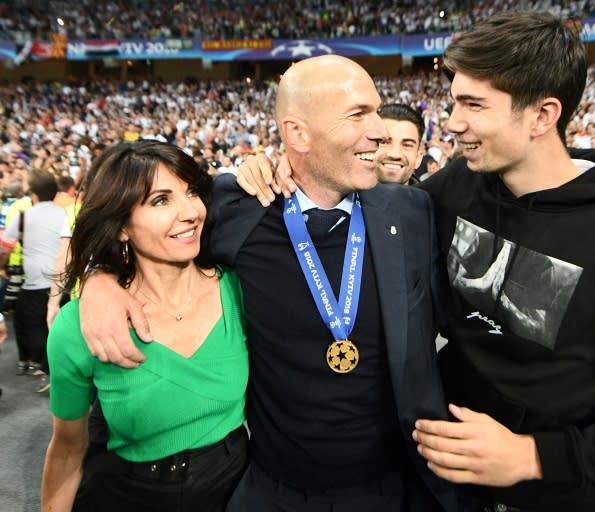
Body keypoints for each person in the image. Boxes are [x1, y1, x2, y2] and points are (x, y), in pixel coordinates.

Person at [236, 11, 595, 512]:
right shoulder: (457, 188)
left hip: (557, 500)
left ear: (543, 115)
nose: (452, 123)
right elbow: (360, 202)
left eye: (473, 105)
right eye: (454, 101)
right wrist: (282, 164)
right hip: (442, 488)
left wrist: (535, 457)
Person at [75, 56, 455, 512]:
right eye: (358, 115)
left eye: (376, 111)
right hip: (273, 489)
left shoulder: (411, 211)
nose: (379, 130)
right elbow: (142, 230)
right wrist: (99, 279)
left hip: (393, 488)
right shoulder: (237, 208)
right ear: (297, 133)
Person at [41, 141, 249, 511]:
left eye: (191, 192)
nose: (190, 212)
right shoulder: (78, 327)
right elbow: (68, 451)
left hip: (231, 491)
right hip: (124, 496)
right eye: (160, 200)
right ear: (121, 226)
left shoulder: (241, 291)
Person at [0, 171, 65, 391]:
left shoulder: (24, 217)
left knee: (29, 326)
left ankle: (49, 369)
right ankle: (55, 368)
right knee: (56, 327)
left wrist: (2, 268)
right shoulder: (65, 214)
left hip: (36, 282)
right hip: (63, 281)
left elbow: (4, 248)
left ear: (33, 194)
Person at [376, 103, 425, 186]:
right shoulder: (347, 195)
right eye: (383, 142)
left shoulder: (433, 199)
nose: (395, 154)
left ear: (418, 157)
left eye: (407, 145)